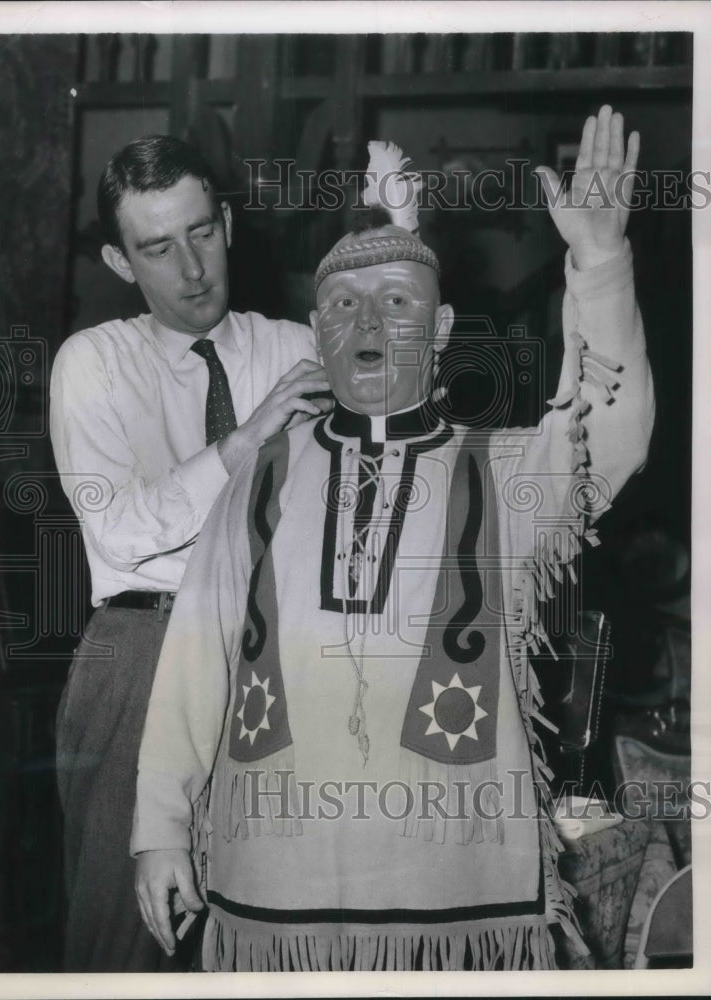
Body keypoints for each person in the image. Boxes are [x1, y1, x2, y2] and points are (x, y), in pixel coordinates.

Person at [132, 106, 654, 970]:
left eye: (397, 302)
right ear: (318, 332)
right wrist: (159, 827)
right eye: (341, 305)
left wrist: (598, 262)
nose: (366, 324)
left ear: (441, 332)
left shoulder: (501, 467)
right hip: (272, 894)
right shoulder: (262, 473)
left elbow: (614, 433)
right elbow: (196, 653)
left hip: (457, 901)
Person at [49, 134, 331, 971]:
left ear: (229, 223)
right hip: (142, 650)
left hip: (278, 653)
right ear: (118, 259)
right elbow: (119, 530)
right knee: (122, 941)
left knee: (263, 932)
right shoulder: (93, 363)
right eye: (157, 248)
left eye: (202, 233)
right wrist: (245, 442)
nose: (191, 268)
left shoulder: (295, 348)